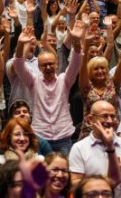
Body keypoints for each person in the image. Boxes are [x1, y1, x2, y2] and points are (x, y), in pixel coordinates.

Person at [12, 23, 84, 155]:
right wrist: (21, 44)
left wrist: (77, 41)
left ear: (56, 65)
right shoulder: (33, 81)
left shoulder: (65, 80)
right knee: (40, 174)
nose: (48, 67)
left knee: (63, 174)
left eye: (51, 64)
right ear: (38, 67)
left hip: (63, 137)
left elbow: (76, 61)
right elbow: (18, 64)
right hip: (40, 137)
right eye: (44, 65)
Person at [69, 100, 121, 196]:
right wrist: (102, 186)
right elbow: (74, 183)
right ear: (90, 119)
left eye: (113, 116)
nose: (110, 121)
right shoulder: (79, 148)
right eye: (105, 116)